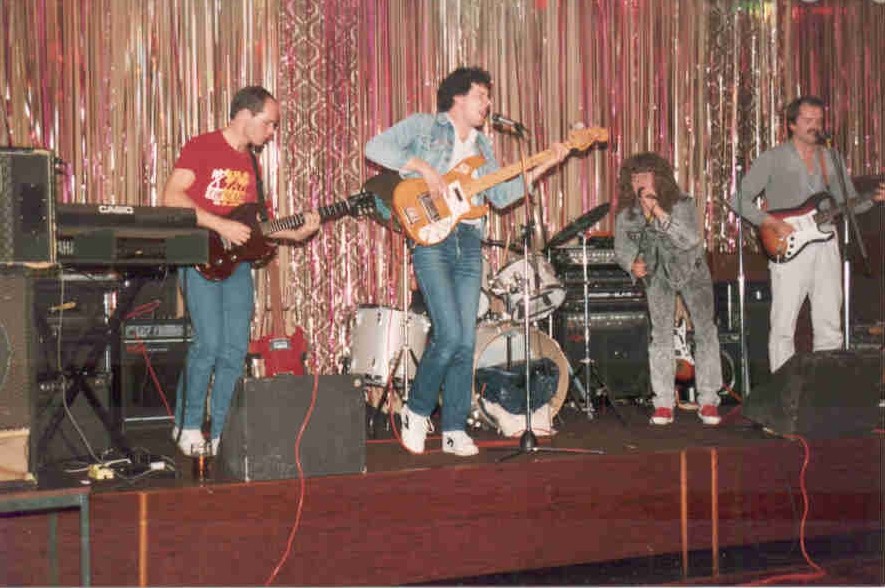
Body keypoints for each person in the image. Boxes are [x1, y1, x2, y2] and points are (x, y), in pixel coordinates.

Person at [364, 66, 569, 456]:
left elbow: (503, 195)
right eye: (481, 95)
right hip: (433, 242)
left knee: (465, 339)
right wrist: (424, 168)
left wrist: (546, 164)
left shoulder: (483, 146)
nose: (487, 103)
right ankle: (416, 411)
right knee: (449, 335)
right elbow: (375, 148)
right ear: (457, 97)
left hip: (469, 241)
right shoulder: (425, 126)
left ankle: (454, 428)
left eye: (488, 97)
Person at [163, 86, 320, 456]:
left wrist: (296, 233)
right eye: (269, 123)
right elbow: (171, 197)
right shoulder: (202, 146)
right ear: (245, 115)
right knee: (208, 344)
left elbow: (255, 227)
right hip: (199, 256)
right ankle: (187, 425)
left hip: (237, 264)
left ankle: (222, 430)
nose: (272, 132)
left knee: (234, 349)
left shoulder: (252, 163)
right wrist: (220, 225)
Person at [732, 96, 885, 373]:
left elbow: (849, 203)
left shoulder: (831, 158)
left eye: (819, 120)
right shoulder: (773, 158)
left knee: (829, 323)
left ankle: (826, 385)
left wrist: (874, 198)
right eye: (808, 120)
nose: (815, 125)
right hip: (787, 244)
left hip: (826, 243)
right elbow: (738, 200)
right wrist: (771, 222)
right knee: (784, 325)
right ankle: (782, 388)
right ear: (792, 125)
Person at [613, 152, 723, 425]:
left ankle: (709, 400)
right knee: (660, 335)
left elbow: (690, 239)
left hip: (692, 269)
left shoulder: (682, 203)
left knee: (705, 331)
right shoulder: (627, 215)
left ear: (659, 177)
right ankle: (663, 403)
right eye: (634, 177)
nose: (639, 181)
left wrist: (658, 211)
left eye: (645, 175)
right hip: (657, 275)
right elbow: (622, 249)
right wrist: (631, 264)